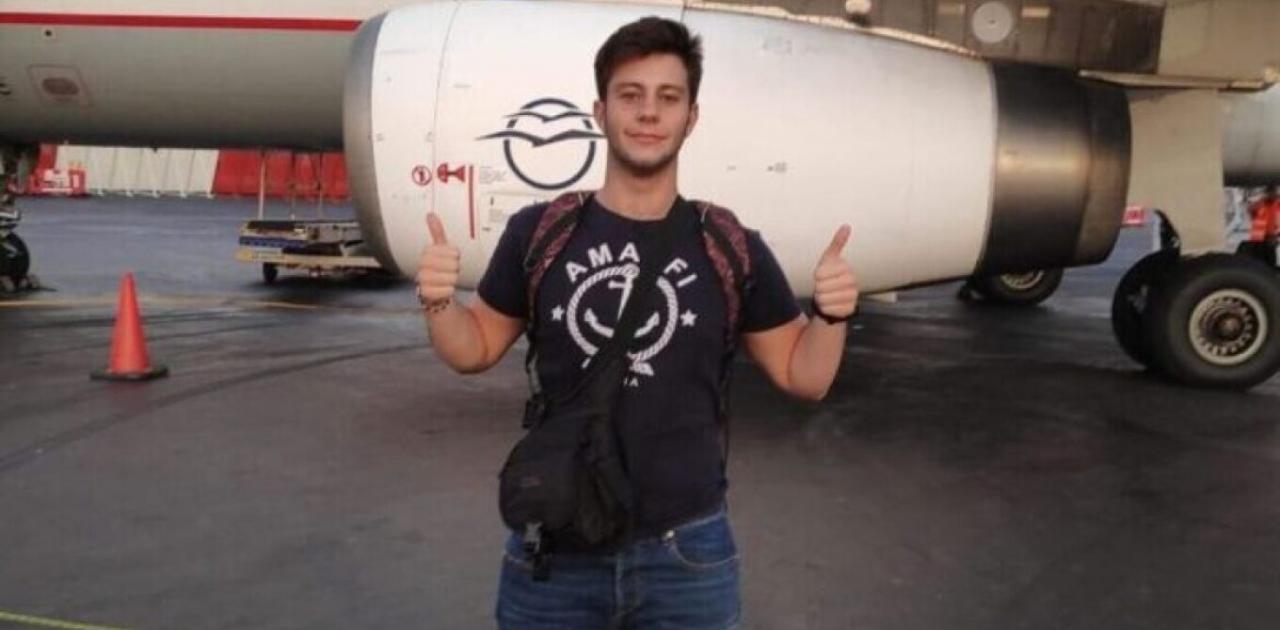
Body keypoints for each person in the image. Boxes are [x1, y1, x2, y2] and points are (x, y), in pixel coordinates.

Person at [416, 16, 857, 629]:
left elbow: (803, 375)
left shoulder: (728, 245)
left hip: (687, 553)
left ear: (691, 118)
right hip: (557, 544)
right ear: (600, 111)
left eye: (668, 97)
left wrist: (832, 314)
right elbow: (474, 349)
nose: (649, 112)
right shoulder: (541, 233)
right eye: (631, 95)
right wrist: (439, 301)